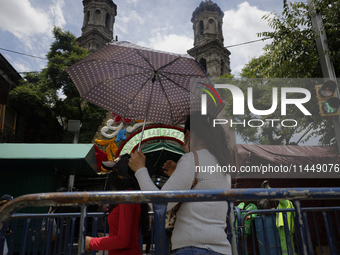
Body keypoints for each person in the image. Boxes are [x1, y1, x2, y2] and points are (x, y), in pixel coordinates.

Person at [129, 112, 233, 255]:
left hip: (194, 248)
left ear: (189, 134)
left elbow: (160, 202)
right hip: (221, 248)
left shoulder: (192, 159)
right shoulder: (221, 162)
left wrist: (140, 169)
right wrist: (178, 173)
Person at [85, 154, 153, 255]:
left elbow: (123, 241)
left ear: (125, 174)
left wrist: (92, 242)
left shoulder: (127, 197)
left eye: (115, 170)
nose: (112, 173)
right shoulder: (129, 195)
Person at [261, 180, 296, 255]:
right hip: (289, 227)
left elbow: (277, 196)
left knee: (285, 246)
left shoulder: (285, 201)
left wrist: (268, 188)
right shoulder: (289, 204)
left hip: (284, 226)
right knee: (290, 245)